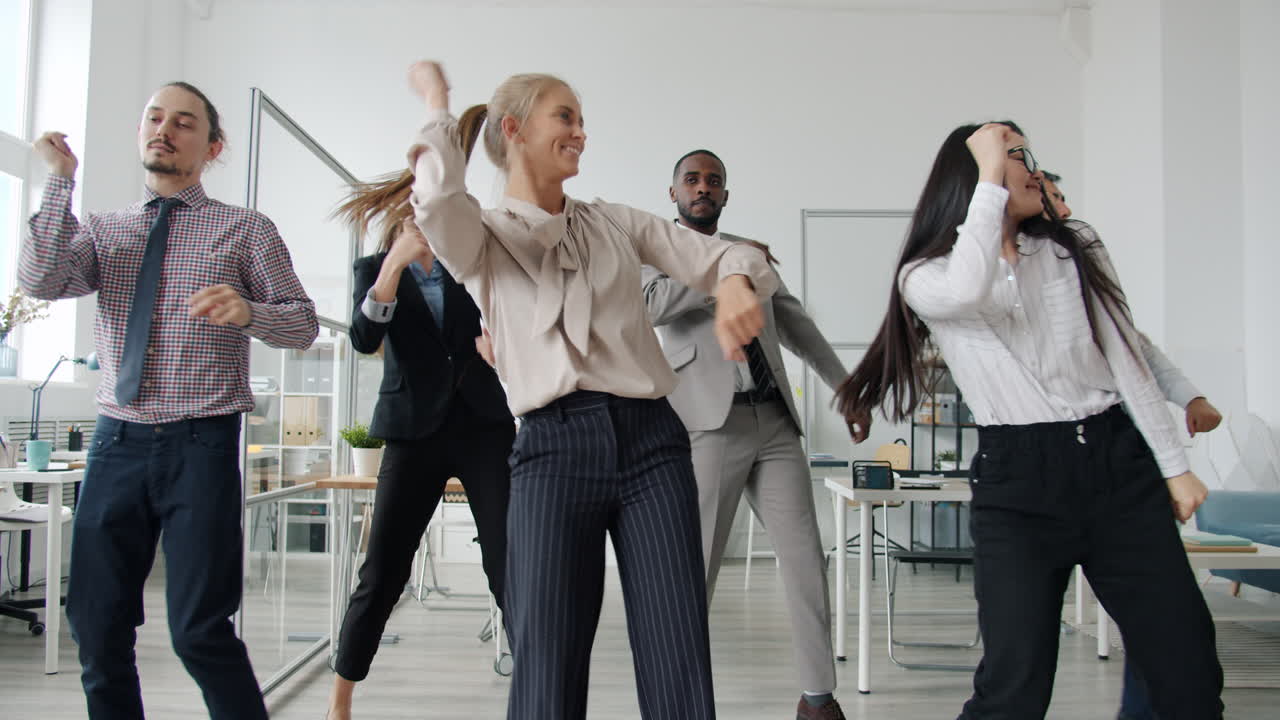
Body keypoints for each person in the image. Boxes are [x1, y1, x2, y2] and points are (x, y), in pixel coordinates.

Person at [403, 60, 778, 720]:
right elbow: (435, 200)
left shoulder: (615, 223)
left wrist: (739, 283)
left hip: (653, 444)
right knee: (545, 661)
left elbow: (724, 255)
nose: (581, 132)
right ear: (514, 130)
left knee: (677, 653)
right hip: (552, 449)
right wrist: (437, 102)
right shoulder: (480, 239)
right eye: (566, 117)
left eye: (581, 120)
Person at [833, 122, 1223, 719]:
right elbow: (968, 288)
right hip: (1018, 482)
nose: (1031, 166)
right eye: (1014, 154)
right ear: (974, 174)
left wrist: (1174, 465)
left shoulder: (1074, 245)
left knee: (1187, 664)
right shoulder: (924, 276)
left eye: (1024, 152)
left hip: (1116, 463)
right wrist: (991, 170)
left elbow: (1124, 350)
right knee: (1014, 687)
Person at [19, 81, 318, 720]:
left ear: (212, 147)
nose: (164, 129)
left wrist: (249, 311)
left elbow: (302, 323)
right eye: (155, 118)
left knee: (200, 631)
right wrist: (59, 182)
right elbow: (40, 278)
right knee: (96, 625)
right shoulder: (104, 229)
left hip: (200, 445)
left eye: (183, 123)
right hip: (116, 442)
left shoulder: (244, 230)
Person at [642, 149, 862, 720]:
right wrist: (727, 267)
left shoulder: (750, 253)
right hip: (708, 426)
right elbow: (652, 306)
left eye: (713, 181)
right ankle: (677, 700)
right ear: (673, 194)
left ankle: (818, 699)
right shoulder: (651, 250)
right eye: (691, 180)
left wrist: (845, 386)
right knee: (697, 572)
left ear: (725, 194)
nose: (703, 188)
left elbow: (794, 323)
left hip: (775, 423)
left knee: (807, 560)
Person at [324, 187, 516, 718]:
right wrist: (394, 267)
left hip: (484, 426)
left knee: (507, 562)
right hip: (412, 432)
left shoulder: (472, 263)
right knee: (383, 570)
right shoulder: (374, 268)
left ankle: (539, 687)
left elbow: (508, 320)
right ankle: (340, 701)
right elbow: (365, 339)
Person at [1042, 169, 1225, 720]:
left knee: (1166, 621)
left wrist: (1191, 398)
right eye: (1054, 197)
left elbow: (1134, 346)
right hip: (1051, 466)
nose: (1066, 207)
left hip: (1125, 458)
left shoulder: (1082, 267)